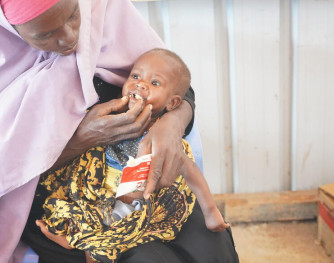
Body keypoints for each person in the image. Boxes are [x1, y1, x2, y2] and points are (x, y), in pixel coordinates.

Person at [0, 0, 238, 262]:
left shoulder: (105, 13)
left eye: (74, 15)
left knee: (213, 248)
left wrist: (171, 124)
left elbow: (179, 87)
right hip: (66, 202)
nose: (70, 37)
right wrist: (79, 142)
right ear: (9, 27)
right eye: (44, 34)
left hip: (143, 189)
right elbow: (0, 179)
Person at [33, 48, 228, 263]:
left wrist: (211, 212)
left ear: (172, 104)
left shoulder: (161, 138)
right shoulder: (108, 117)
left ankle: (85, 247)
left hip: (133, 207)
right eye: (135, 76)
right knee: (61, 209)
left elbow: (190, 170)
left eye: (154, 83)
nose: (140, 84)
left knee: (119, 231)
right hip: (97, 196)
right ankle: (77, 241)